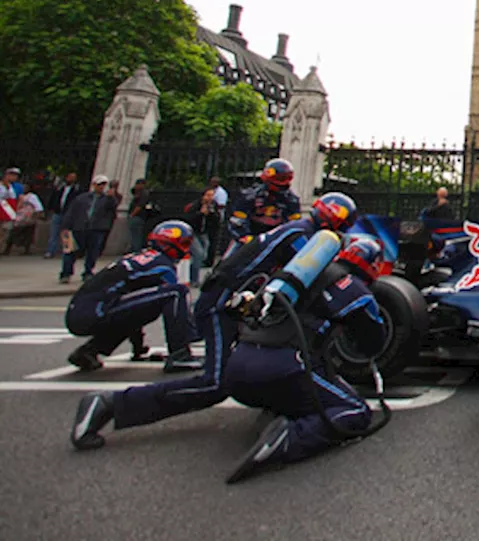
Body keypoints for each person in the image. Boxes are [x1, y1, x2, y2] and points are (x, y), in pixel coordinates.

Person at [70, 192, 359, 451]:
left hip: (230, 301)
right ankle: (109, 404)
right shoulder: (302, 237)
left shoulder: (296, 230)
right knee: (215, 384)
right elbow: (313, 278)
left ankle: (284, 405)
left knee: (258, 363)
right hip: (222, 304)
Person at [223, 237, 389, 484]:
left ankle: (278, 412)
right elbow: (374, 342)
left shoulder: (289, 278)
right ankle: (288, 439)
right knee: (354, 410)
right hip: (283, 366)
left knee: (309, 377)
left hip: (236, 371)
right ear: (372, 264)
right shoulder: (354, 289)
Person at [64, 220, 201, 373]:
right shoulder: (162, 266)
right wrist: (194, 331)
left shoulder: (140, 257)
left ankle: (88, 351)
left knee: (146, 307)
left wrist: (139, 348)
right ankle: (179, 355)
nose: (186, 250)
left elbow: (135, 310)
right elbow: (174, 307)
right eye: (184, 244)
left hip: (83, 311)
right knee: (177, 292)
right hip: (96, 310)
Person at [225, 158, 302, 249]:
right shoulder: (250, 196)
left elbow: (295, 225)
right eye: (279, 178)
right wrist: (245, 237)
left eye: (284, 178)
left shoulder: (291, 200)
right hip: (249, 238)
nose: (280, 182)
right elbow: (237, 221)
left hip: (275, 242)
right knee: (230, 259)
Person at [61, 175, 119, 283]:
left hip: (96, 229)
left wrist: (111, 197)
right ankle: (66, 273)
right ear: (93, 185)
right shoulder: (82, 198)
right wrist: (65, 227)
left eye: (103, 185)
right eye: (99, 184)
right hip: (78, 228)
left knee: (92, 252)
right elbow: (71, 212)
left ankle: (88, 272)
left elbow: (113, 209)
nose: (101, 187)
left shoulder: (107, 199)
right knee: (70, 251)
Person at [183, 188, 221, 287]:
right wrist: (200, 214)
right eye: (208, 195)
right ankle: (194, 279)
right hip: (193, 232)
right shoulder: (195, 205)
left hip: (203, 233)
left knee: (203, 255)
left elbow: (217, 221)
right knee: (198, 253)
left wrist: (212, 214)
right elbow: (188, 219)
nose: (210, 198)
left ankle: (191, 270)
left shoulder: (213, 206)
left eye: (212, 195)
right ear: (203, 196)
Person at [45, 173, 82, 260]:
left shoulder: (76, 190)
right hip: (58, 212)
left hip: (68, 214)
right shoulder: (60, 188)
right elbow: (54, 198)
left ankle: (68, 252)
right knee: (54, 232)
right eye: (69, 177)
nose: (71, 179)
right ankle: (50, 251)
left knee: (66, 233)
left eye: (73, 178)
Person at [4, 186, 42, 255]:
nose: (24, 189)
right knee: (15, 232)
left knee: (28, 233)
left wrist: (37, 215)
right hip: (21, 216)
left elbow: (38, 207)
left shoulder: (32, 196)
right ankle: (8, 248)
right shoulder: (20, 196)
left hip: (28, 216)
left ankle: (26, 250)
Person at [126, 179, 155, 253]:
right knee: (134, 235)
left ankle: (136, 251)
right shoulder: (139, 193)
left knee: (136, 236)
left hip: (138, 217)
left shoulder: (144, 194)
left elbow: (140, 205)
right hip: (137, 217)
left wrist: (132, 215)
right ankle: (134, 250)